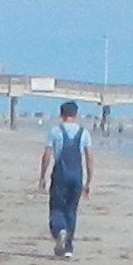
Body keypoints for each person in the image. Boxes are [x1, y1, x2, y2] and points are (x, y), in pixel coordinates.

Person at [40, 102, 96, 256]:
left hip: (60, 175)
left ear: (61, 114)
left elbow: (46, 155)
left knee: (57, 209)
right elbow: (89, 157)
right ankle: (68, 248)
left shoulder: (55, 132)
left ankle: (60, 231)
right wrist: (89, 180)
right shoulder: (84, 133)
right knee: (71, 211)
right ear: (76, 115)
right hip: (77, 175)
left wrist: (42, 176)